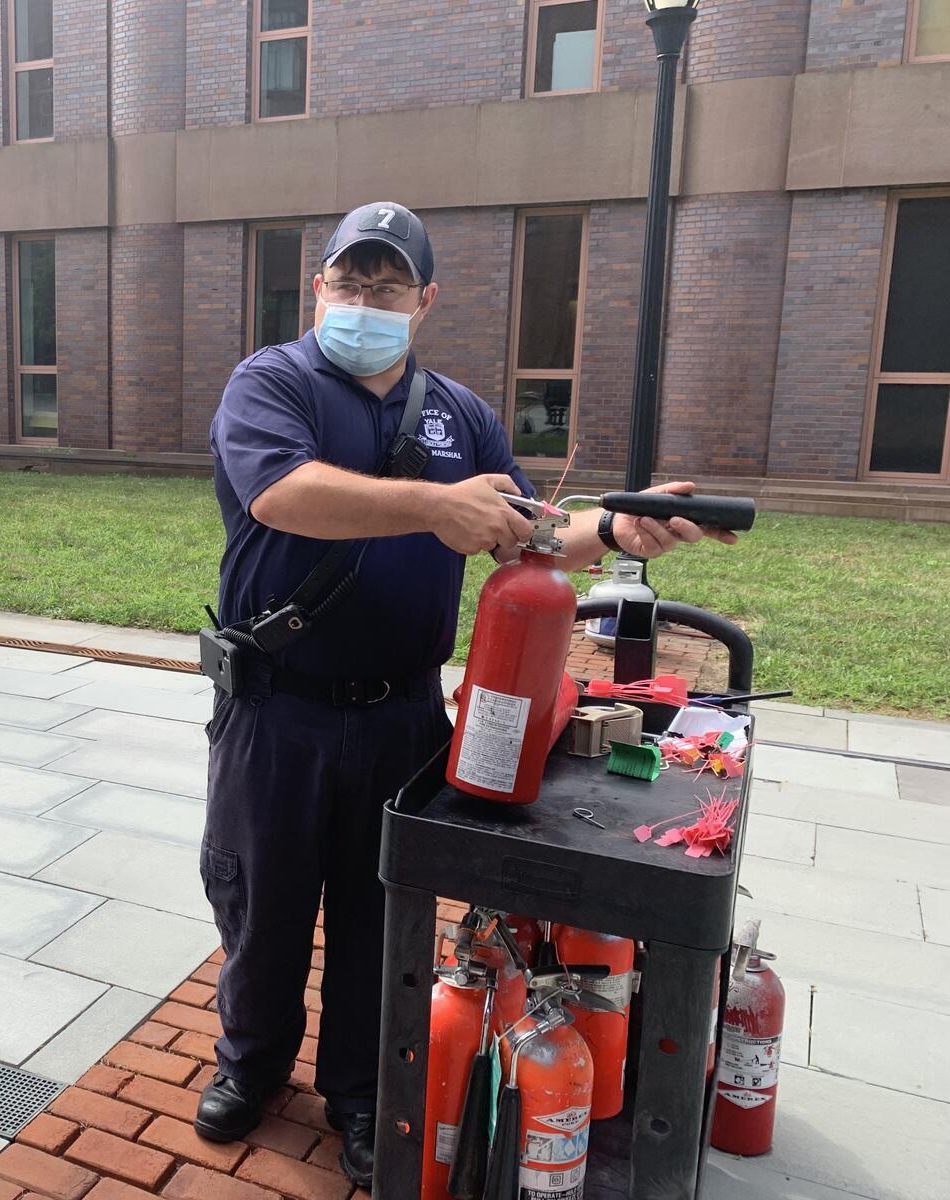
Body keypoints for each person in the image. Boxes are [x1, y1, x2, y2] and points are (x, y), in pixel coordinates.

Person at [194, 201, 737, 1187]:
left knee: (379, 921)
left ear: (425, 300)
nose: (363, 300)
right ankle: (251, 1066)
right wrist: (437, 505)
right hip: (276, 706)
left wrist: (616, 533)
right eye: (347, 283)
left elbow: (529, 530)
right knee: (259, 903)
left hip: (401, 710)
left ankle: (360, 1096)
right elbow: (284, 492)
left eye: (385, 286)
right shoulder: (271, 382)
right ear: (317, 288)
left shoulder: (460, 414)